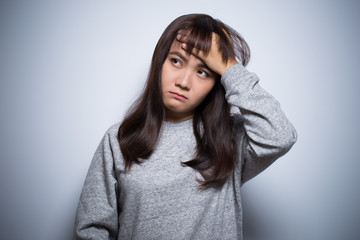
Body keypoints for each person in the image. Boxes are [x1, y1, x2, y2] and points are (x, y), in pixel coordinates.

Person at [73, 13, 297, 240]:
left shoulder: (231, 137)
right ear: (159, 62)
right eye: (176, 61)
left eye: (202, 72)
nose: (183, 82)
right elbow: (92, 229)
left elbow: (279, 136)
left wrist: (230, 67)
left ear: (216, 82)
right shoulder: (119, 139)